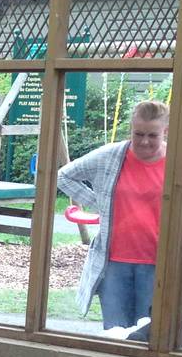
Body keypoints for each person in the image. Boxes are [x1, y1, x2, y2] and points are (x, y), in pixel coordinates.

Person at [58, 99, 169, 329]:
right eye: (138, 134)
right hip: (114, 264)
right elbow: (64, 176)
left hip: (158, 263)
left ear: (165, 131)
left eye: (152, 135)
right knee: (116, 333)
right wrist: (99, 203)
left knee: (151, 333)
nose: (144, 141)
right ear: (131, 129)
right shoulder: (110, 156)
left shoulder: (176, 162)